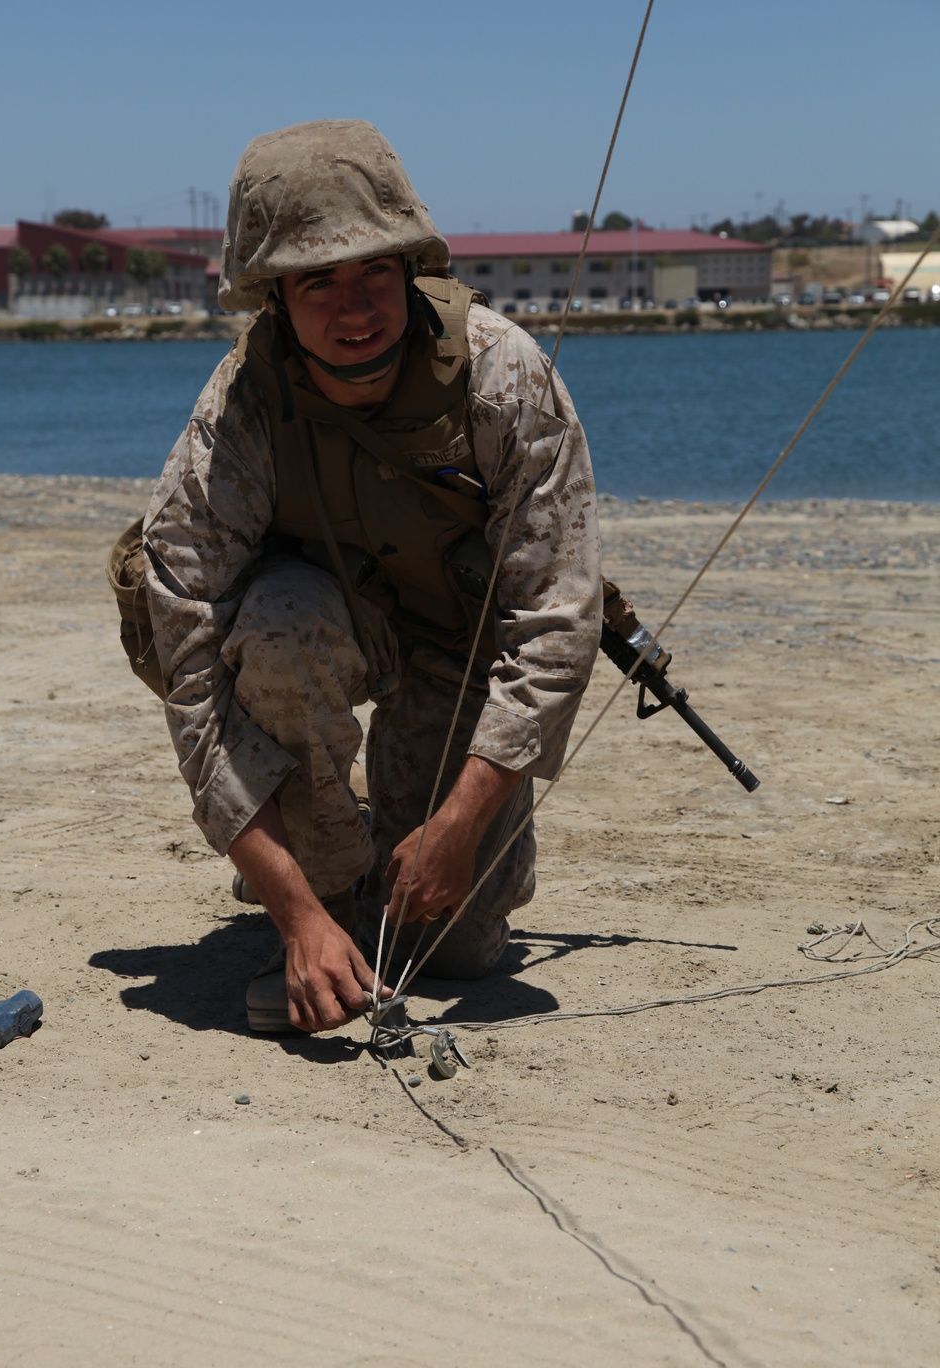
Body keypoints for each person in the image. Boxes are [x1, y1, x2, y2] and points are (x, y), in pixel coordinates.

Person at [140, 118, 603, 1036]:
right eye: (319, 281)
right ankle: (322, 873)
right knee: (277, 618)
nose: (354, 307)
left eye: (373, 273)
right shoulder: (239, 413)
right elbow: (189, 672)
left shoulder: (503, 378)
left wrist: (463, 823)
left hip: (457, 654)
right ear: (273, 296)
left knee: (459, 953)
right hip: (323, 636)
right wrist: (299, 916)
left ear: (410, 271)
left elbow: (555, 623)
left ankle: (378, 835)